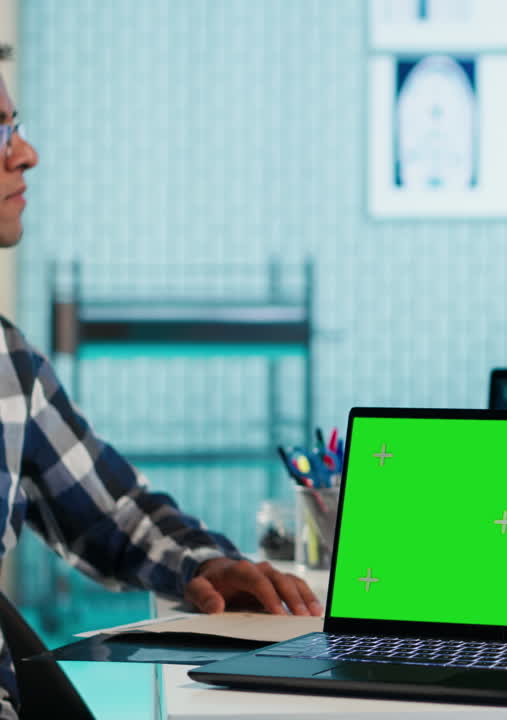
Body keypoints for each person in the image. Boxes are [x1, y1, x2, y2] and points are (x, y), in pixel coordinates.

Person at [0, 60, 321, 719]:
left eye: (16, 129)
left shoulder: (7, 362)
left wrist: (207, 566)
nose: (26, 155)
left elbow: (114, 515)